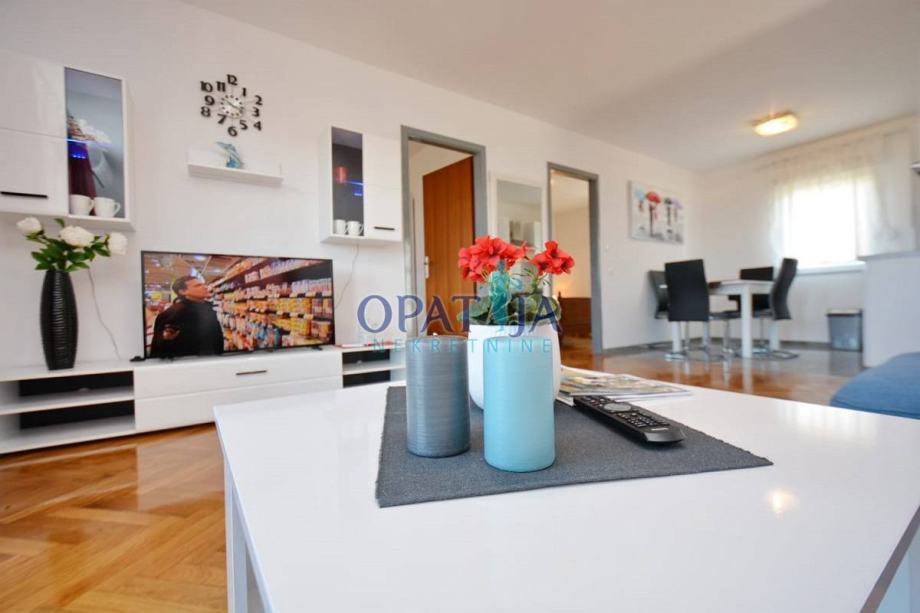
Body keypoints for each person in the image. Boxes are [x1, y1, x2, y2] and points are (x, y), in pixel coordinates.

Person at [149, 275, 225, 358]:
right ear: (182, 291)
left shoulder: (207, 307)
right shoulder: (173, 314)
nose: (205, 287)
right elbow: (160, 347)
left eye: (204, 284)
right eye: (198, 285)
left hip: (212, 358)